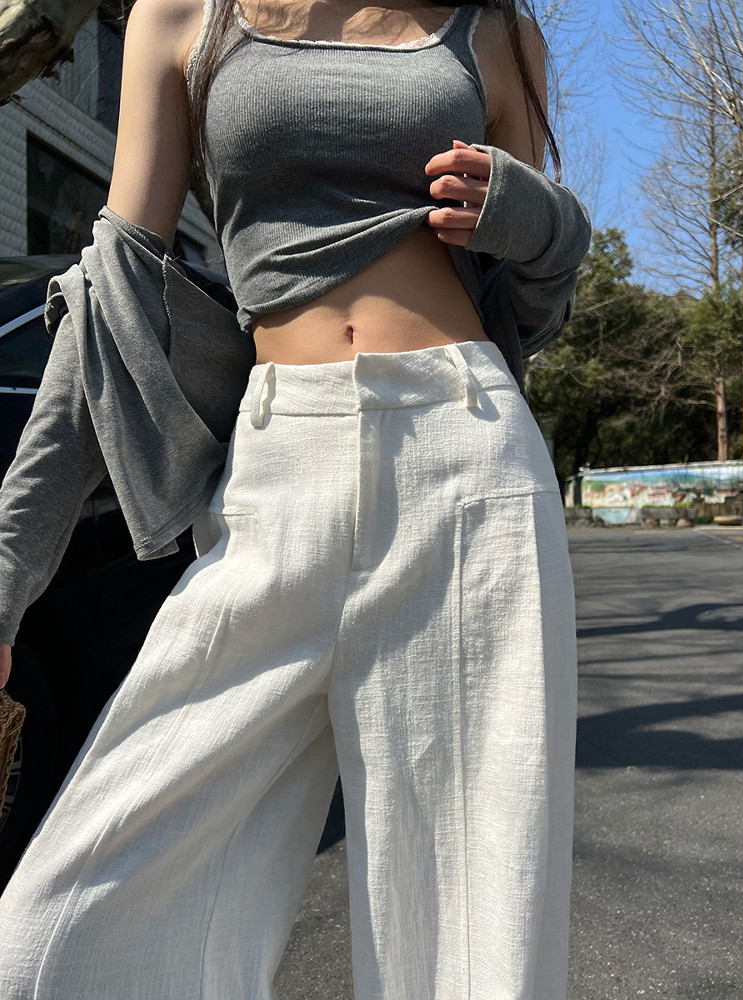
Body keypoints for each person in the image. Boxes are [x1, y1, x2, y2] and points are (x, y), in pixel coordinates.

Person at [0, 0, 591, 996]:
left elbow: (530, 303)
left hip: (466, 456)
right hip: (276, 471)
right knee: (55, 931)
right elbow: (109, 304)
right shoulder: (182, 17)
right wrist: (10, 567)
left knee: (473, 933)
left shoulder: (490, 30)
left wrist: (545, 222)